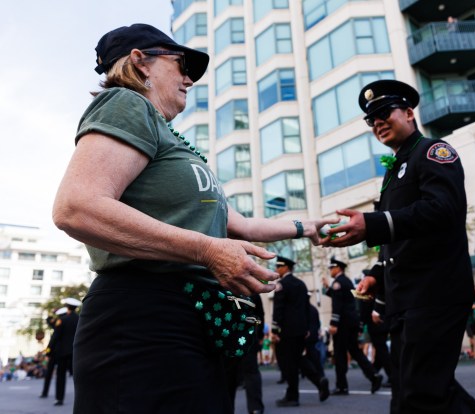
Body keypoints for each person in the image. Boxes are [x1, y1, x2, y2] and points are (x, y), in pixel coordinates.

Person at [51, 23, 335, 414]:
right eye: (182, 64)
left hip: (192, 318)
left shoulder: (172, 139)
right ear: (141, 62)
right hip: (143, 318)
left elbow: (243, 225)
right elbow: (76, 206)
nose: (189, 78)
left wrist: (309, 227)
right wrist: (205, 249)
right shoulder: (126, 103)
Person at [322, 79, 475, 414]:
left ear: (410, 113)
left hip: (434, 294)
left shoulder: (432, 152)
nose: (378, 122)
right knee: (410, 390)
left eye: (385, 112)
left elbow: (442, 210)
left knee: (420, 393)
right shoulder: (397, 167)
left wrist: (371, 224)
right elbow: (402, 236)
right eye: (372, 119)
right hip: (406, 299)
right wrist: (375, 274)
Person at [271, 256, 329, 407]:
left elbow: (278, 309)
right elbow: (306, 309)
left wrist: (275, 329)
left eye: (279, 266)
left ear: (286, 268)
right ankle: (319, 381)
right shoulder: (301, 284)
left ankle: (292, 396)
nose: (277, 269)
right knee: (298, 359)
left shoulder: (281, 285)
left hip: (286, 331)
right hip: (300, 331)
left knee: (289, 363)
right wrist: (306, 329)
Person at [322, 257, 383, 395]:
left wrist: (333, 323)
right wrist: (327, 288)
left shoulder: (338, 282)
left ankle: (341, 386)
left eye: (332, 268)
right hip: (352, 323)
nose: (330, 270)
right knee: (355, 351)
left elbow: (337, 304)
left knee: (340, 354)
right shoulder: (347, 281)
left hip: (342, 324)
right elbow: (342, 298)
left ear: (338, 268)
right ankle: (373, 376)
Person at [226, 293, 265, 414]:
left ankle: (227, 407)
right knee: (251, 372)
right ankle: (255, 408)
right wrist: (260, 335)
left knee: (228, 374)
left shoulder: (223, 287)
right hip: (249, 334)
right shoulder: (251, 290)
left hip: (228, 335)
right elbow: (260, 315)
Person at [358, 264, 392, 386]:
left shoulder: (370, 291)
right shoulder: (377, 289)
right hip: (381, 323)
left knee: (382, 350)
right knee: (380, 350)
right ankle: (375, 372)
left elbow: (364, 311)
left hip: (375, 324)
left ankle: (391, 376)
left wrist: (361, 326)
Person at [39, 307, 66, 399]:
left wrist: (47, 353)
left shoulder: (59, 324)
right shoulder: (67, 322)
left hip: (55, 353)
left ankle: (45, 393)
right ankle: (57, 397)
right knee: (60, 375)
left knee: (49, 374)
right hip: (64, 353)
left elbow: (52, 342)